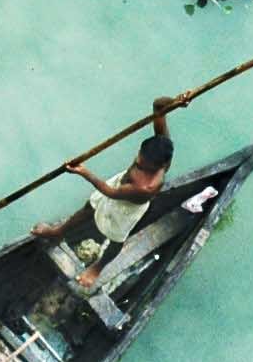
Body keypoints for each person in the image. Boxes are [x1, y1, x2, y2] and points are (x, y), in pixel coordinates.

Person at [34, 95, 189, 288]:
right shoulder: (161, 143)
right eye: (139, 160)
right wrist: (177, 102)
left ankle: (97, 268)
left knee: (116, 239)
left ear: (160, 166)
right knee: (89, 207)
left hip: (126, 206)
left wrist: (83, 172)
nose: (139, 163)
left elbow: (110, 193)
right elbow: (158, 106)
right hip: (118, 185)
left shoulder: (146, 187)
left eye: (144, 166)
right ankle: (57, 232)